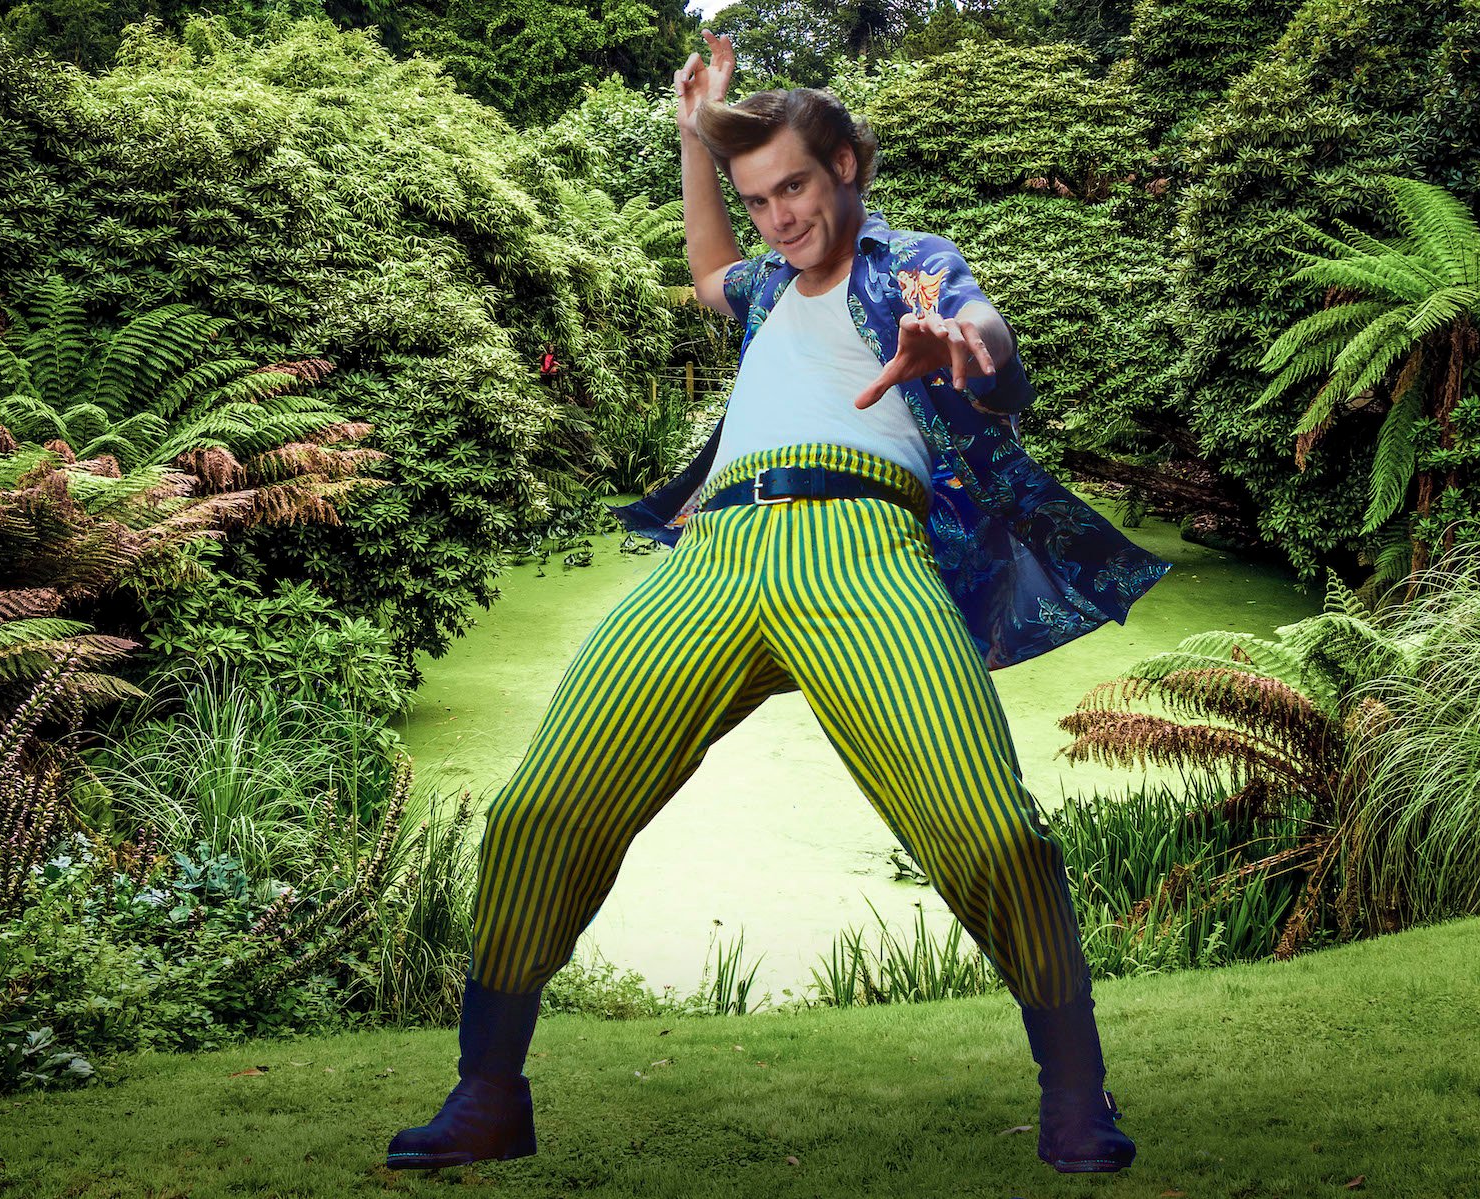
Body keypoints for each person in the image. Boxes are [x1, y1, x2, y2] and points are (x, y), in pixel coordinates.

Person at [385, 29, 1170, 1177]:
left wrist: (957, 346)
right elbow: (709, 271)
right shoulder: (759, 284)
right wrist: (693, 141)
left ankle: (1072, 1088)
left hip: (863, 550)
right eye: (758, 199)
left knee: (991, 827)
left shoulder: (910, 266)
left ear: (847, 164)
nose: (777, 217)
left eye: (793, 185)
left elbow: (994, 356)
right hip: (714, 549)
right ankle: (487, 1090)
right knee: (540, 808)